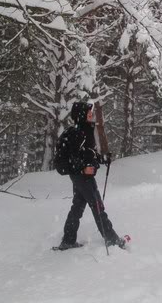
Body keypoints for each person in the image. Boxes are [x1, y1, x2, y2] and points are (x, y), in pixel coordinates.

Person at [57, 100, 126, 250]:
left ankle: (68, 240)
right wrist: (83, 169)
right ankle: (112, 240)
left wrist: (101, 159)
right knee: (98, 206)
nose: (91, 114)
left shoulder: (85, 130)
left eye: (91, 111)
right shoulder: (77, 133)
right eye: (88, 112)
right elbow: (73, 159)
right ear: (82, 115)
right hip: (82, 178)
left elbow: (88, 155)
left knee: (77, 207)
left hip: (81, 177)